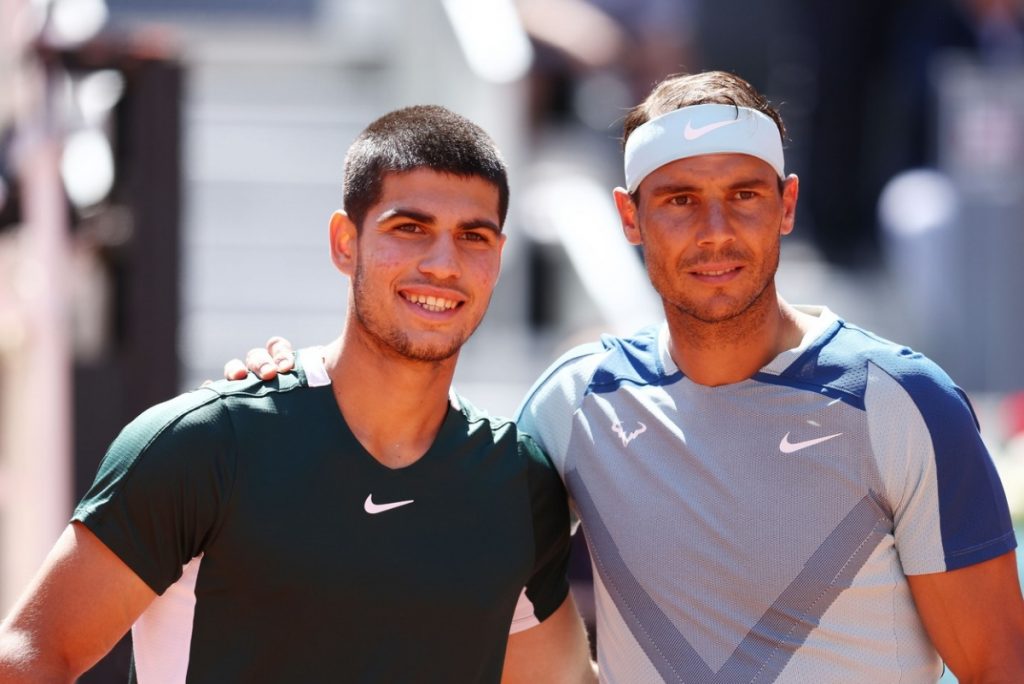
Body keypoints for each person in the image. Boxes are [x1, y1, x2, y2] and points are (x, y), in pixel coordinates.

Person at [235, 72, 1024, 682]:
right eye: (680, 200)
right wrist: (293, 384)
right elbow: (422, 476)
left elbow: (998, 667)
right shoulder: (577, 402)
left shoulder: (904, 401)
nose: (716, 231)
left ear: (786, 206)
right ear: (628, 218)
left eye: (743, 196)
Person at [0, 105, 596, 683]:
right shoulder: (205, 445)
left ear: (498, 256)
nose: (443, 264)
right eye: (409, 228)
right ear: (345, 242)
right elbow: (27, 659)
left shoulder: (517, 481)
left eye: (474, 237)